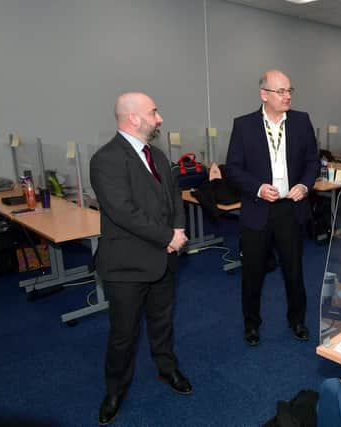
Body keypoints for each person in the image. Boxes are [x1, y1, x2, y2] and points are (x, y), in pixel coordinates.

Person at [90, 92, 192, 425]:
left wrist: (177, 232)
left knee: (163, 322)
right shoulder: (106, 159)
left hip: (164, 258)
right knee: (124, 333)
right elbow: (123, 211)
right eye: (154, 112)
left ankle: (167, 368)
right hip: (127, 265)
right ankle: (115, 389)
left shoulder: (158, 156)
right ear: (133, 118)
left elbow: (174, 197)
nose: (159, 118)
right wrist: (167, 237)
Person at [225, 69, 320, 346]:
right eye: (281, 91)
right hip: (257, 208)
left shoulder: (301, 122)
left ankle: (297, 320)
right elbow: (233, 167)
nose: (287, 96)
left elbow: (313, 162)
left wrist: (304, 185)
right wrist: (257, 187)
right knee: (253, 272)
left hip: (290, 208)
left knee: (294, 269)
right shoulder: (243, 125)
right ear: (263, 94)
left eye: (290, 90)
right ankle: (251, 325)